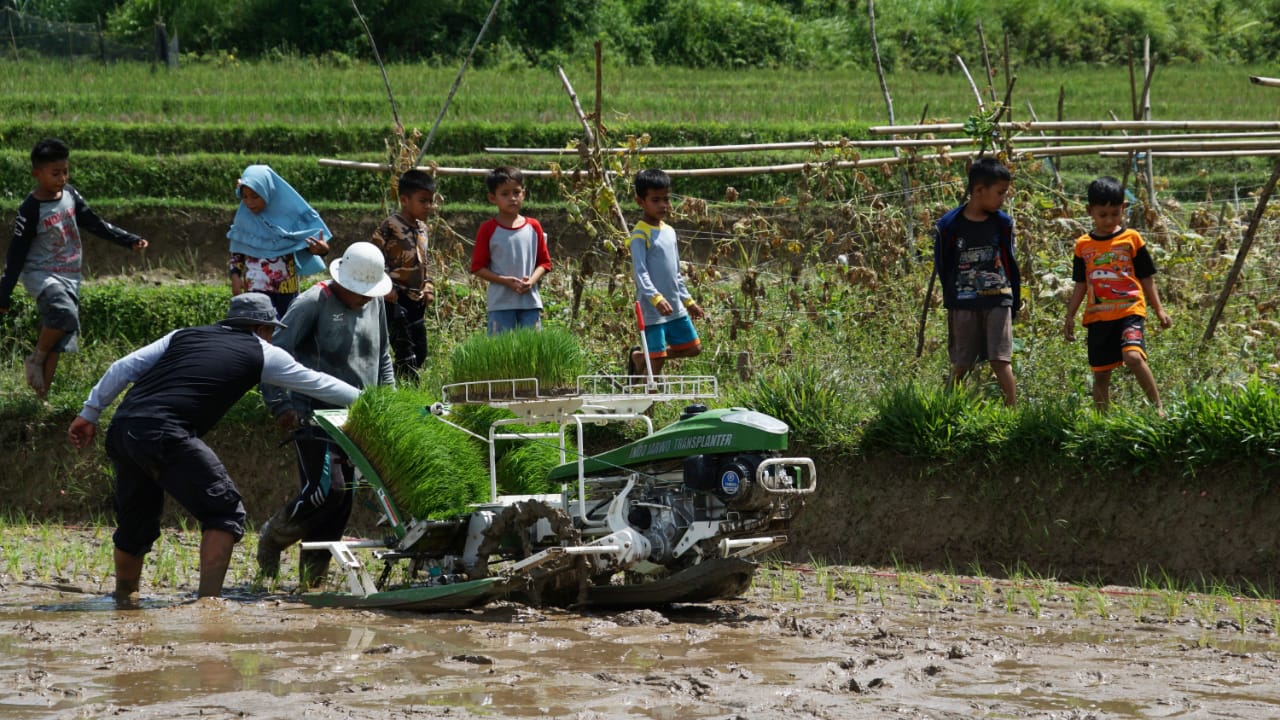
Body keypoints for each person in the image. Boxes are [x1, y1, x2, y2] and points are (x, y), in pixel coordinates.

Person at [66, 293, 361, 605]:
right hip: (166, 432)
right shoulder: (263, 352)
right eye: (271, 330)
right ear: (263, 328)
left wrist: (89, 414)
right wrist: (368, 400)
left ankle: (124, 596)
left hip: (124, 429)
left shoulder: (183, 335)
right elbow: (319, 383)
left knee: (135, 522)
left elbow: (122, 367)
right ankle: (208, 603)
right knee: (224, 511)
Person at [257, 241, 395, 585]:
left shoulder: (374, 302)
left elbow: (383, 358)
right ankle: (274, 536)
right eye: (359, 291)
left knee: (342, 503)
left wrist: (388, 406)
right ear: (343, 280)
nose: (365, 297)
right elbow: (273, 356)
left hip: (359, 418)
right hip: (313, 417)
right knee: (327, 491)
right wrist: (281, 405)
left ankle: (311, 581)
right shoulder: (311, 303)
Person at [0, 138, 149, 399]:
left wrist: (129, 239)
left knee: (60, 335)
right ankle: (35, 358)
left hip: (69, 273)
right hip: (41, 273)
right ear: (37, 174)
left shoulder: (70, 194)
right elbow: (16, 253)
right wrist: (4, 294)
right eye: (55, 173)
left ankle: (41, 396)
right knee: (64, 312)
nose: (62, 178)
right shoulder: (30, 209)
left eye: (65, 172)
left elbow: (95, 223)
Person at [1062, 176, 1173, 413]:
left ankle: (1158, 409)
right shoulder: (1083, 246)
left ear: (1123, 208)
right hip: (1098, 317)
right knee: (1101, 373)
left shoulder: (1132, 239)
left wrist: (1159, 309)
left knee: (1133, 357)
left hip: (1130, 311)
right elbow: (1080, 283)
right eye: (1103, 215)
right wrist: (1070, 314)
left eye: (1115, 213)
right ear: (1089, 211)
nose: (1109, 220)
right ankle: (1102, 423)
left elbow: (1146, 277)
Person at [932, 156, 1020, 407]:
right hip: (963, 302)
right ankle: (946, 408)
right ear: (979, 190)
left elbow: (1010, 262)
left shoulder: (1002, 224)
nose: (1003, 198)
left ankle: (1012, 412)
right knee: (962, 362)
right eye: (1000, 193)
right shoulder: (949, 226)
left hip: (998, 300)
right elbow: (944, 265)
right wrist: (952, 298)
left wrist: (1014, 299)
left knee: (1000, 360)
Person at [626, 168, 705, 377]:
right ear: (640, 201)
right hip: (653, 309)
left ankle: (641, 357)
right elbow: (640, 273)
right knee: (656, 364)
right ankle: (646, 407)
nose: (663, 205)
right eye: (655, 200)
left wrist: (689, 302)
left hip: (675, 306)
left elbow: (675, 273)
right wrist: (656, 298)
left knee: (693, 348)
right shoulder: (639, 234)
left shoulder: (669, 231)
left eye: (666, 199)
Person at [227, 164, 331, 319]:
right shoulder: (244, 219)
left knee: (285, 329)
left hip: (286, 290)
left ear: (268, 192)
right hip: (255, 286)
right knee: (259, 329)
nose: (249, 202)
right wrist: (235, 275)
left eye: (255, 196)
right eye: (245, 197)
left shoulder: (288, 219)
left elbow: (303, 243)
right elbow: (238, 251)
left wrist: (321, 250)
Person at [469, 166, 552, 335]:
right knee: (500, 353)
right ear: (492, 198)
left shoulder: (533, 226)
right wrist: (505, 281)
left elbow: (544, 263)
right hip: (500, 303)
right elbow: (478, 267)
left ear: (524, 194)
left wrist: (531, 281)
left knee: (532, 351)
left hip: (530, 303)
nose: (512, 198)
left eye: (516, 192)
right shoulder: (488, 229)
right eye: (505, 194)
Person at [370, 169, 436, 375]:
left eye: (430, 201)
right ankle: (405, 392)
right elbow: (373, 256)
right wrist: (385, 286)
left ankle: (406, 385)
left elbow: (427, 261)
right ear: (405, 200)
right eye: (423, 201)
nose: (429, 206)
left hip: (417, 299)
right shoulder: (390, 225)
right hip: (394, 297)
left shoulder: (423, 229)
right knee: (404, 350)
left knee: (421, 350)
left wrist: (429, 286)